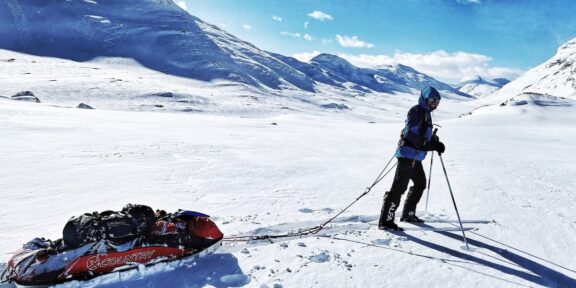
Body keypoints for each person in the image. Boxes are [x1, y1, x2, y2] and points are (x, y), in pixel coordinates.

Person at [378, 86, 445, 231]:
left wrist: (433, 141)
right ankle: (386, 221)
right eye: (432, 100)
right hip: (407, 155)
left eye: (437, 101)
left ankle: (408, 213)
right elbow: (410, 135)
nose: (435, 104)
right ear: (425, 98)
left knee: (420, 183)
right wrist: (429, 145)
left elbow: (422, 134)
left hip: (415, 157)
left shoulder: (426, 113)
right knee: (399, 188)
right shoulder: (417, 111)